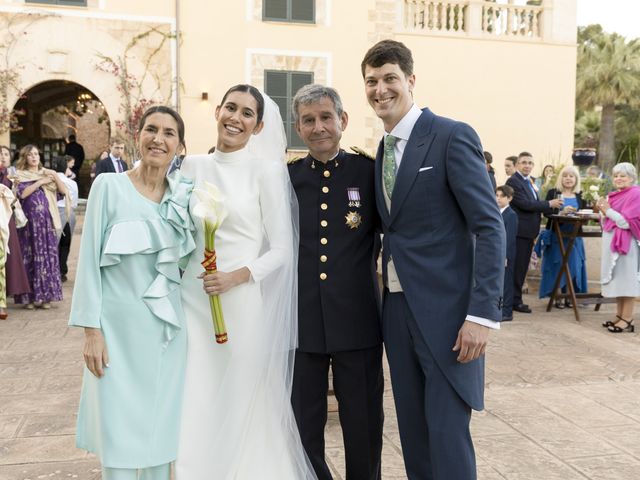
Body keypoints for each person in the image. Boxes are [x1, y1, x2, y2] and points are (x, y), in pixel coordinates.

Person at [361, 40, 505, 480]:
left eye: (389, 79)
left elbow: (489, 226)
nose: (380, 89)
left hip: (447, 315)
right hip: (398, 310)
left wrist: (481, 314)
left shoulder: (450, 135)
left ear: (410, 81)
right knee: (414, 434)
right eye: (371, 81)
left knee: (446, 433)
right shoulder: (383, 149)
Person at [176, 85, 315, 479]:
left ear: (258, 127)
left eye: (247, 114)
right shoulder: (192, 168)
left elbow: (282, 250)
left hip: (239, 302)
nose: (235, 118)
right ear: (217, 111)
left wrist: (235, 277)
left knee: (240, 395)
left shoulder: (266, 172)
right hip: (194, 301)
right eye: (230, 108)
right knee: (196, 392)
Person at [69, 106, 194, 480]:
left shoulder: (185, 197)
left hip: (167, 335)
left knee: (160, 437)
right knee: (118, 439)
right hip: (115, 335)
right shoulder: (109, 187)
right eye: (151, 130)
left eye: (169, 133)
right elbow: (89, 261)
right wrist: (91, 331)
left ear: (180, 146)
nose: (159, 138)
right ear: (137, 136)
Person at [287, 84, 383, 480]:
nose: (318, 127)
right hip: (302, 323)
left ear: (342, 121)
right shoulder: (287, 178)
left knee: (363, 425)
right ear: (298, 128)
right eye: (308, 120)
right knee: (304, 427)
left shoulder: (368, 171)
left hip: (357, 320)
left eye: (326, 117)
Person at [506, 152, 563, 314]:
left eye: (530, 163)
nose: (527, 166)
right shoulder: (513, 181)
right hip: (520, 232)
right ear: (517, 165)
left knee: (522, 267)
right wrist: (549, 203)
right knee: (517, 268)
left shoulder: (529, 181)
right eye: (524, 162)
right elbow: (525, 204)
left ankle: (514, 300)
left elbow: (533, 204)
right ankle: (513, 302)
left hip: (528, 232)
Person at [14, 145, 68, 309]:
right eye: (30, 155)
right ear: (25, 158)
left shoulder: (46, 173)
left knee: (46, 258)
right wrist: (40, 182)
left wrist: (54, 176)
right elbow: (22, 194)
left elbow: (63, 191)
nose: (34, 157)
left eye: (36, 154)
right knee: (29, 258)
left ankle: (46, 298)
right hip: (28, 226)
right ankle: (29, 299)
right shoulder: (20, 176)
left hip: (45, 225)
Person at [596, 162, 640, 333]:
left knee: (627, 281)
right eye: (616, 176)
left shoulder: (636, 194)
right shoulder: (615, 195)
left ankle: (627, 319)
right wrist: (602, 211)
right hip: (614, 245)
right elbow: (607, 222)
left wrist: (607, 211)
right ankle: (620, 316)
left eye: (623, 175)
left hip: (627, 246)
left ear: (631, 177)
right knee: (619, 280)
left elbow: (626, 222)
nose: (618, 179)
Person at [536, 166, 587, 308]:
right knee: (557, 265)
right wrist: (561, 212)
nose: (568, 178)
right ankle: (557, 295)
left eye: (571, 176)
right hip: (556, 235)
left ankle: (570, 295)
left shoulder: (580, 194)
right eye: (565, 176)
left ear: (576, 179)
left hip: (574, 236)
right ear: (561, 178)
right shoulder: (553, 192)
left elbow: (585, 214)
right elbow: (546, 212)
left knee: (574, 265)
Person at [0, 145, 30, 319]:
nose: (3, 157)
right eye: (0, 154)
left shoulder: (10, 177)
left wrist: (13, 189)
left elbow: (13, 202)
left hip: (5, 220)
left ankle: (2, 303)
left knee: (4, 260)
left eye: (5, 154)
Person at [54, 156, 79, 282]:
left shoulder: (50, 180)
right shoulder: (72, 183)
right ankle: (62, 270)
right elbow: (74, 203)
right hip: (68, 212)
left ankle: (53, 269)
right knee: (65, 243)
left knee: (53, 242)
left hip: (53, 212)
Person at [496, 185, 518, 321]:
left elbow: (509, 238)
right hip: (498, 252)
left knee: (507, 283)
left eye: (501, 196)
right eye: (496, 195)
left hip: (506, 254)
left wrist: (505, 256)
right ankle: (500, 309)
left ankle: (507, 311)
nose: (497, 199)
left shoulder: (511, 215)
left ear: (509, 198)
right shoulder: (497, 212)